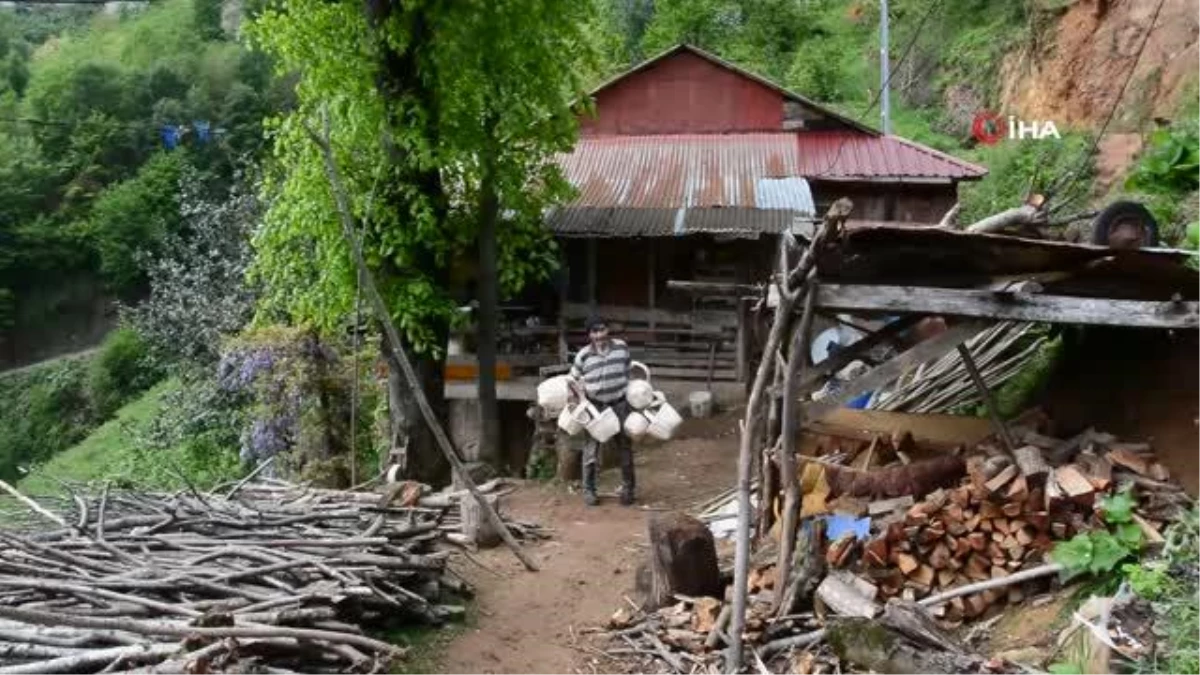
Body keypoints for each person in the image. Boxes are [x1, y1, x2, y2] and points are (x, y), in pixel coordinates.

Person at [570, 316, 635, 506]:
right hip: (595, 407)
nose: (599, 335)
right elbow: (573, 380)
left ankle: (628, 489)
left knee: (625, 448)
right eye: (594, 331)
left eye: (602, 330)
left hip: (619, 404)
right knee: (591, 450)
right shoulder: (583, 355)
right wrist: (579, 399)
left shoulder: (622, 348)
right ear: (590, 335)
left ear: (608, 330)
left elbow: (629, 372)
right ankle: (589, 491)